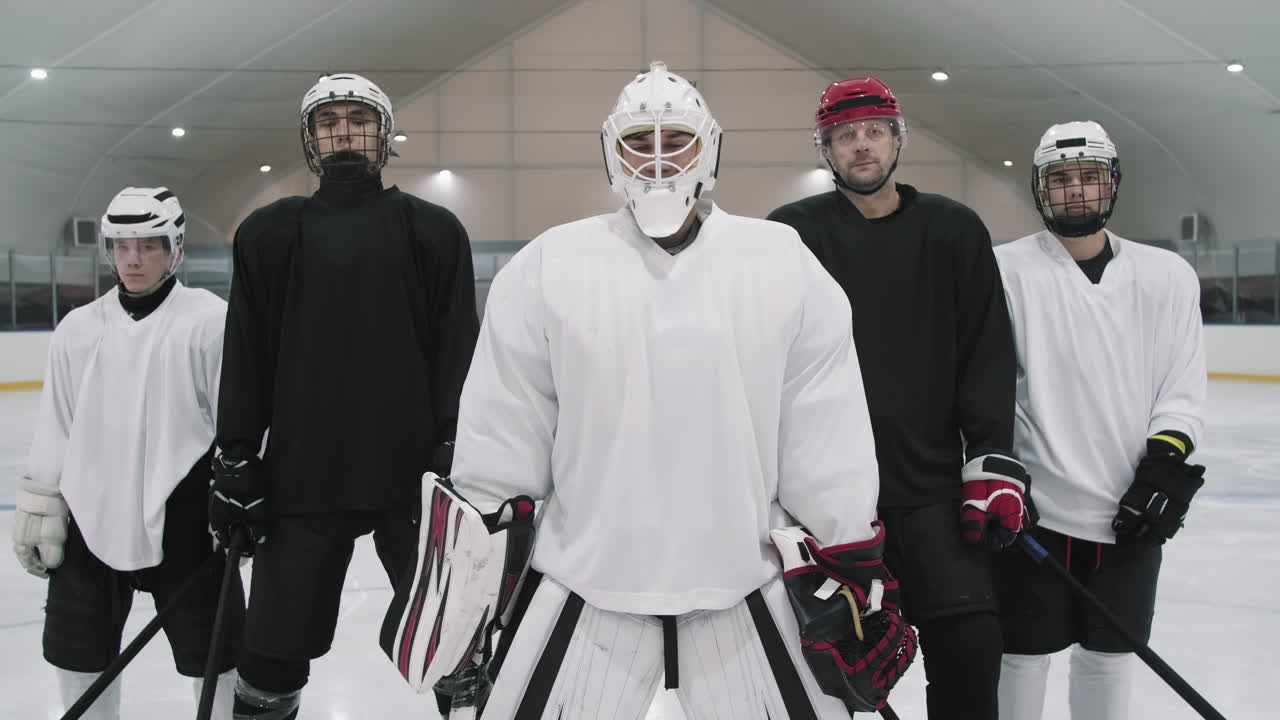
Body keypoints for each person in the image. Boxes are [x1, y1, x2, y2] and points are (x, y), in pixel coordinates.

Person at [388, 61, 915, 720]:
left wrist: (850, 559)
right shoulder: (549, 267)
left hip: (743, 578)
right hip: (587, 578)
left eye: (678, 142)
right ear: (613, 150)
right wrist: (470, 581)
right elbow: (503, 430)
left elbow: (824, 431)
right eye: (642, 141)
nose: (660, 160)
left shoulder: (782, 263)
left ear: (709, 147)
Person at [209, 72, 480, 719]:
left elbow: (459, 352)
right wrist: (237, 454)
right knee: (270, 656)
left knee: (455, 647)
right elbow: (247, 354)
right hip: (302, 477)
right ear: (310, 139)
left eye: (358, 119)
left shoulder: (434, 231)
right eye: (329, 122)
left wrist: (459, 446)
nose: (344, 132)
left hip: (414, 479)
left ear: (384, 135)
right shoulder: (268, 234)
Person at [767, 75, 1029, 720]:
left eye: (875, 132)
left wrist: (991, 461)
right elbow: (761, 364)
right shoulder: (787, 236)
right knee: (818, 680)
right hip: (828, 506)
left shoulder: (955, 230)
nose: (862, 146)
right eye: (845, 135)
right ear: (825, 149)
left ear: (897, 140)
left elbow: (987, 355)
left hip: (935, 494)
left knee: (972, 650)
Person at [992, 121, 1207, 720]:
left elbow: (1181, 387)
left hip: (1130, 511)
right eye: (1061, 179)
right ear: (1041, 189)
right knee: (1020, 655)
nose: (1077, 191)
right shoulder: (1002, 272)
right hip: (1033, 514)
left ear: (1112, 183)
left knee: (1110, 658)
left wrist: (1164, 462)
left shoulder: (1167, 277)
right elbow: (981, 389)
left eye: (1089, 177)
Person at [13, 186, 240, 719]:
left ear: (175, 249)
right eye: (121, 245)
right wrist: (41, 504)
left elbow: (239, 423)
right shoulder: (78, 329)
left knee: (217, 657)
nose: (133, 259)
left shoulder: (209, 321)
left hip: (186, 518)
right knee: (78, 654)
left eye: (149, 245)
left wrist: (238, 492)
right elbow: (56, 424)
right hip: (92, 516)